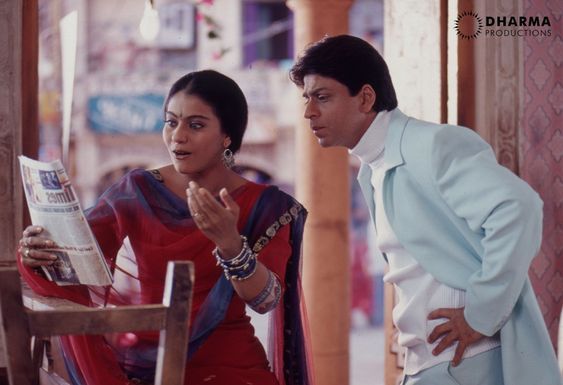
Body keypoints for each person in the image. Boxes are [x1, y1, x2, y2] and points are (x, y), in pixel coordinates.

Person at [289, 34, 561, 385]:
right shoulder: (372, 169)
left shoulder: (431, 144)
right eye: (306, 99)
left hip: (466, 362)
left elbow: (518, 209)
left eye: (322, 97)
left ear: (366, 97)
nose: (309, 112)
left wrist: (481, 314)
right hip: (429, 365)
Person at [18, 70, 313, 385]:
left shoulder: (266, 206)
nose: (178, 136)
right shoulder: (138, 190)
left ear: (227, 136)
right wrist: (38, 250)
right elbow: (76, 258)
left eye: (195, 125)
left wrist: (230, 245)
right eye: (171, 122)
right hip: (143, 369)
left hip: (230, 368)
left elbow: (266, 300)